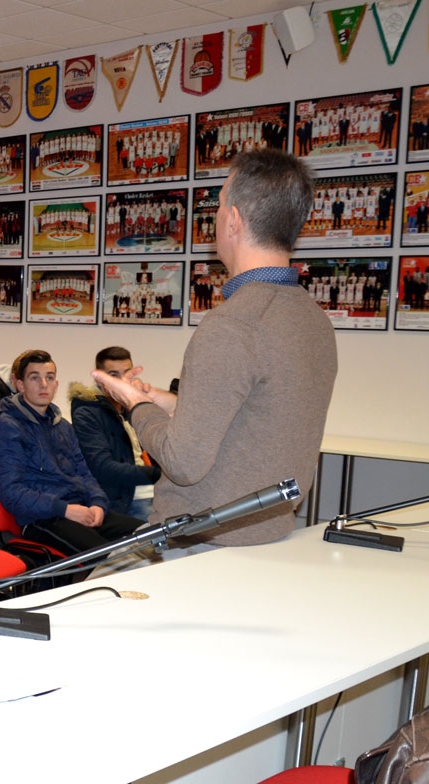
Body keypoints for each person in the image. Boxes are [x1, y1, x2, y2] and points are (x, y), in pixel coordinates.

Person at [90, 149, 337, 550]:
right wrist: (168, 401)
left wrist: (134, 404)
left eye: (220, 205)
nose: (217, 217)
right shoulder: (312, 319)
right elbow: (255, 412)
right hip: (269, 535)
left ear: (234, 220)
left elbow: (183, 462)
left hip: (199, 544)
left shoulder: (233, 325)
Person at [0, 349, 143, 556]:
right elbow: (12, 493)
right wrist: (65, 510)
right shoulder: (5, 427)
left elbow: (85, 474)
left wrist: (98, 504)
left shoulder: (63, 426)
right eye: (35, 378)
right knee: (108, 556)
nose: (44, 384)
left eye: (49, 378)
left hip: (78, 509)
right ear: (20, 384)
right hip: (42, 519)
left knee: (148, 533)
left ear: (56, 384)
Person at [68, 347, 161, 519]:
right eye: (113, 375)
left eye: (127, 374)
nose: (122, 382)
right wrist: (158, 475)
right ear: (100, 380)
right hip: (126, 499)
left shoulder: (134, 408)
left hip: (154, 490)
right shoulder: (88, 413)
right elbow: (103, 468)